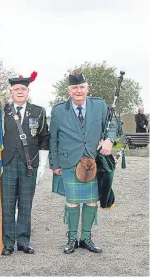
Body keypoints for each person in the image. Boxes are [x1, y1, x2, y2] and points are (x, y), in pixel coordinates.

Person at [50, 72, 117, 254]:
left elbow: (112, 125)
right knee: (72, 202)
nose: (78, 91)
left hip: (94, 162)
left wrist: (110, 140)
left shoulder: (100, 105)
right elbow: (53, 139)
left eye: (82, 87)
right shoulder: (58, 110)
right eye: (74, 88)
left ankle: (86, 238)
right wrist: (54, 164)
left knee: (91, 202)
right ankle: (72, 239)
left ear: (88, 88)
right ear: (69, 90)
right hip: (69, 161)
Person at [0, 72, 49, 255]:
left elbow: (44, 138)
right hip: (8, 163)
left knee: (26, 204)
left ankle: (23, 241)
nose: (19, 92)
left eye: (23, 89)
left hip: (30, 164)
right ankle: (8, 243)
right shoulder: (2, 111)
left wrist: (42, 164)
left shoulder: (38, 111)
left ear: (28, 91)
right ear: (10, 92)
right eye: (16, 89)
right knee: (8, 204)